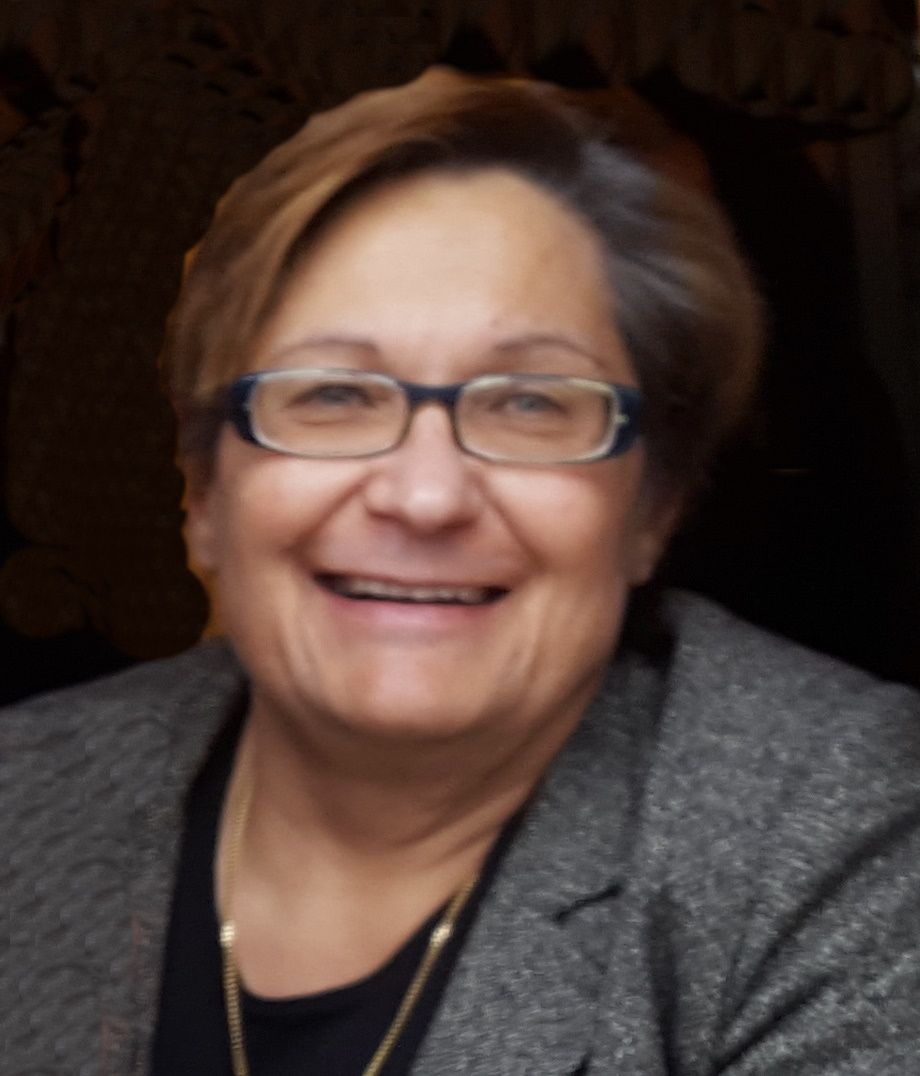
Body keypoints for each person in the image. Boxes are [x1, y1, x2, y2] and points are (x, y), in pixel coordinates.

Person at [3, 68, 920, 1076]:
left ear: (653, 506)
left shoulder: (834, 822)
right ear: (204, 490)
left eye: (531, 404)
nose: (425, 495)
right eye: (333, 395)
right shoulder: (25, 792)